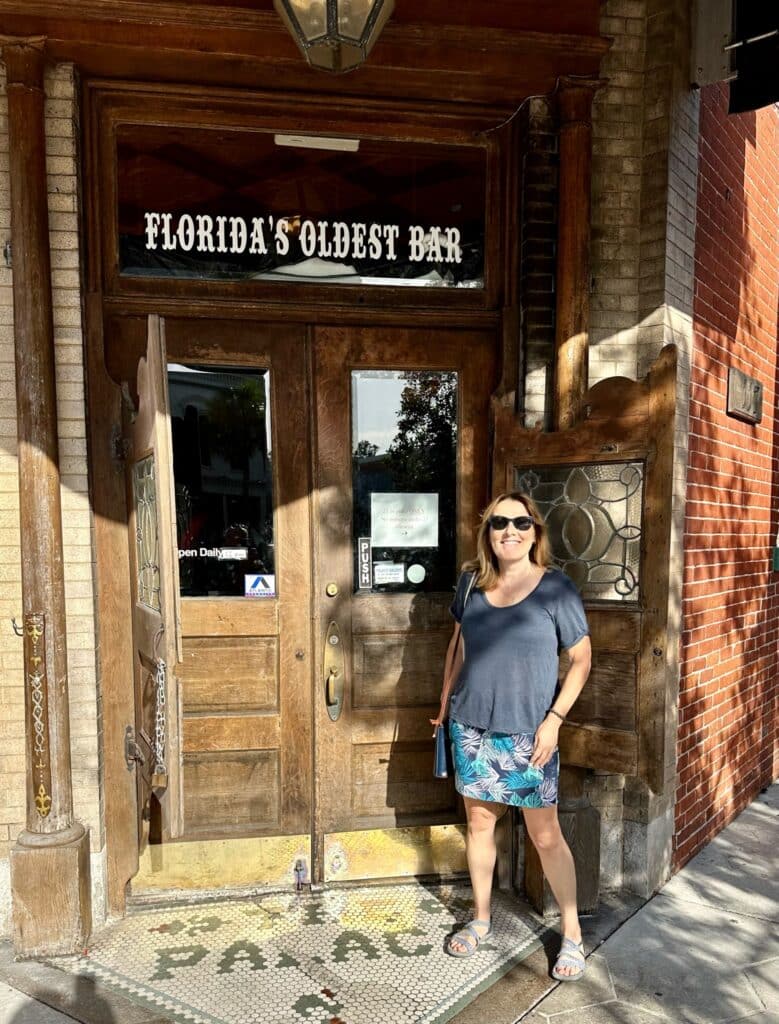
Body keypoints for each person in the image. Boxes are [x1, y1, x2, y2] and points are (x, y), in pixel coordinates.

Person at [431, 491, 591, 981]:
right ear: (488, 531)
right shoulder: (471, 583)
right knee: (480, 826)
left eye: (521, 523)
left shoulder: (556, 590)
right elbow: (457, 648)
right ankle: (480, 919)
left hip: (530, 734)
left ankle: (572, 934)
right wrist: (443, 709)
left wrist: (555, 719)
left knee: (545, 836)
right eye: (499, 522)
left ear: (534, 532)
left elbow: (582, 660)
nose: (510, 531)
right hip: (472, 726)